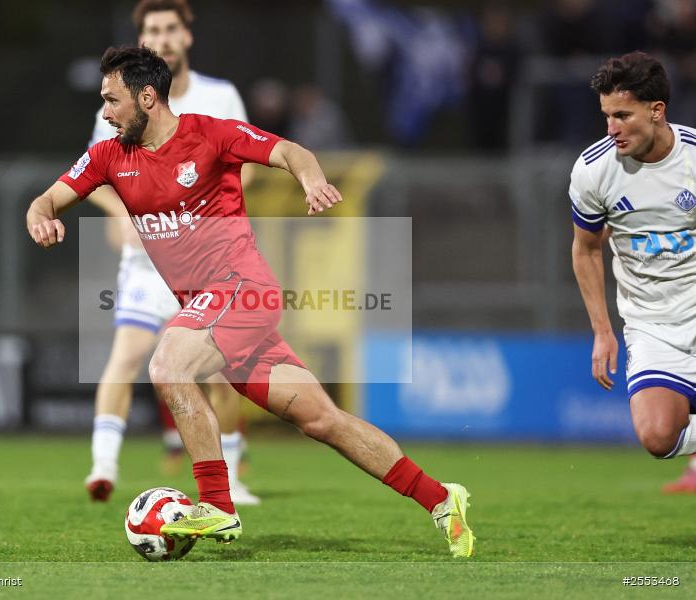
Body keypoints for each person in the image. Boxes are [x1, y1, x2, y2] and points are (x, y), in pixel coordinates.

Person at [27, 45, 474, 557]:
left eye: (112, 100)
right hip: (215, 312)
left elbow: (289, 152)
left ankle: (218, 505)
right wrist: (40, 217)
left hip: (242, 290)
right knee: (322, 420)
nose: (105, 113)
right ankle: (441, 498)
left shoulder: (209, 134)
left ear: (147, 96)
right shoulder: (110, 155)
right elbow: (47, 198)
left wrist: (312, 180)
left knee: (168, 364)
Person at [83, 0, 259, 505]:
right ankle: (103, 468)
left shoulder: (219, 96)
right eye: (151, 30)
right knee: (129, 354)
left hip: (210, 258)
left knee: (223, 369)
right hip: (148, 258)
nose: (161, 37)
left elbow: (242, 159)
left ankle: (230, 474)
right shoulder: (119, 105)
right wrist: (122, 218)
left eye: (169, 28)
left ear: (187, 36)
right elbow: (95, 173)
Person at [570, 51, 696, 490]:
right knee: (658, 437)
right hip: (651, 324)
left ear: (657, 111)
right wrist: (603, 331)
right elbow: (585, 249)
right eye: (606, 116)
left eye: (622, 115)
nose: (611, 128)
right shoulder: (593, 170)